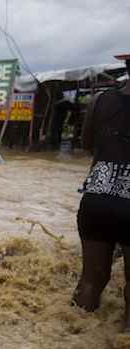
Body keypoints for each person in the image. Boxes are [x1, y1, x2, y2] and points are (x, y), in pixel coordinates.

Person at [73, 54, 130, 331]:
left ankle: (71, 336)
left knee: (90, 282)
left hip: (97, 197)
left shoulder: (100, 101)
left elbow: (87, 145)